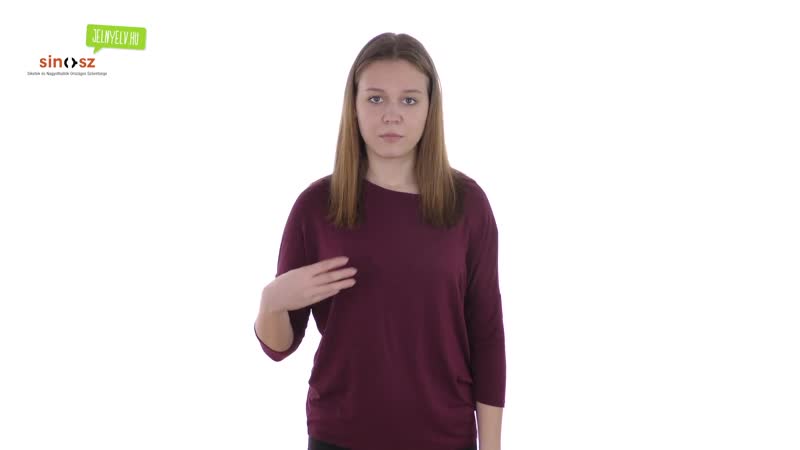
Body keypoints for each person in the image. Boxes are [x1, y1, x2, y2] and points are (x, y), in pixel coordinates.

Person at [254, 32, 506, 450]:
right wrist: (272, 301)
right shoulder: (316, 207)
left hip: (444, 438)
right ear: (353, 106)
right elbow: (279, 346)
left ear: (430, 109)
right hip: (339, 436)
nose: (392, 115)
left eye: (409, 100)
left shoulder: (467, 205)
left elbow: (487, 333)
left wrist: (492, 445)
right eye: (375, 99)